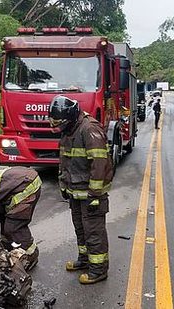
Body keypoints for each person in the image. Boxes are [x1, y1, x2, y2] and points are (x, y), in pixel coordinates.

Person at [48, 95, 113, 284]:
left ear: (71, 116)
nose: (58, 127)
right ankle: (85, 260)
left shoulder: (89, 129)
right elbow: (65, 161)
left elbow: (99, 164)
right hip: (76, 191)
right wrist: (63, 185)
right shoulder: (69, 129)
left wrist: (95, 195)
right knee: (81, 230)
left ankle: (99, 270)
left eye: (60, 123)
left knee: (94, 232)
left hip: (90, 194)